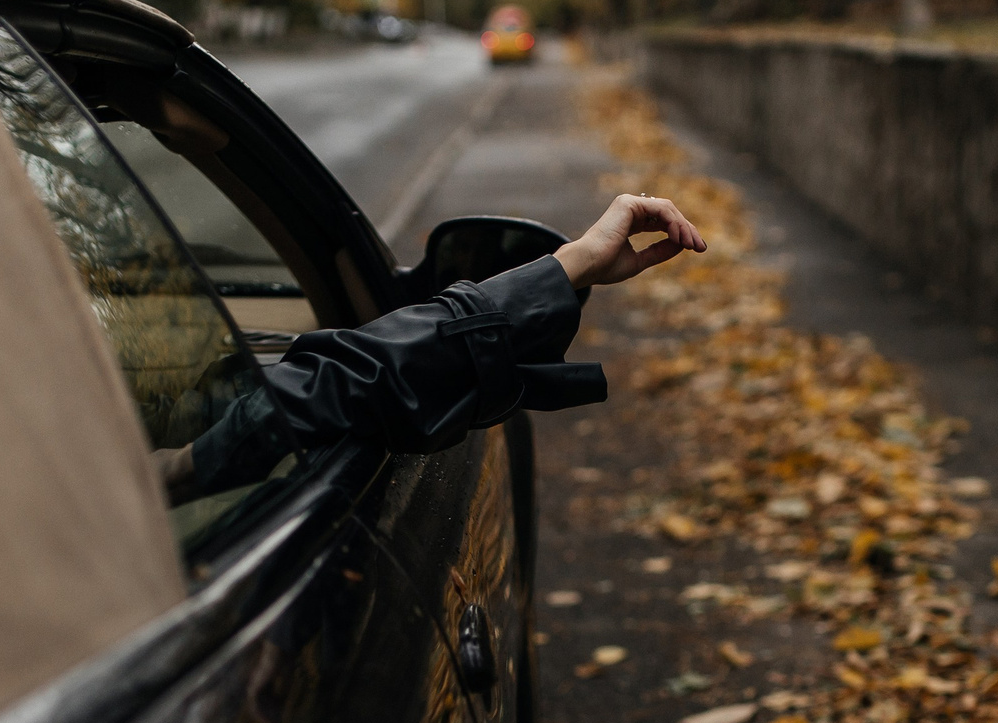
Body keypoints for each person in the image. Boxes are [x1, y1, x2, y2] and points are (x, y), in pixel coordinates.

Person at [160, 193, 707, 500]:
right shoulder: (121, 479)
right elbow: (307, 397)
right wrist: (566, 268)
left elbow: (223, 408)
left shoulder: (102, 450)